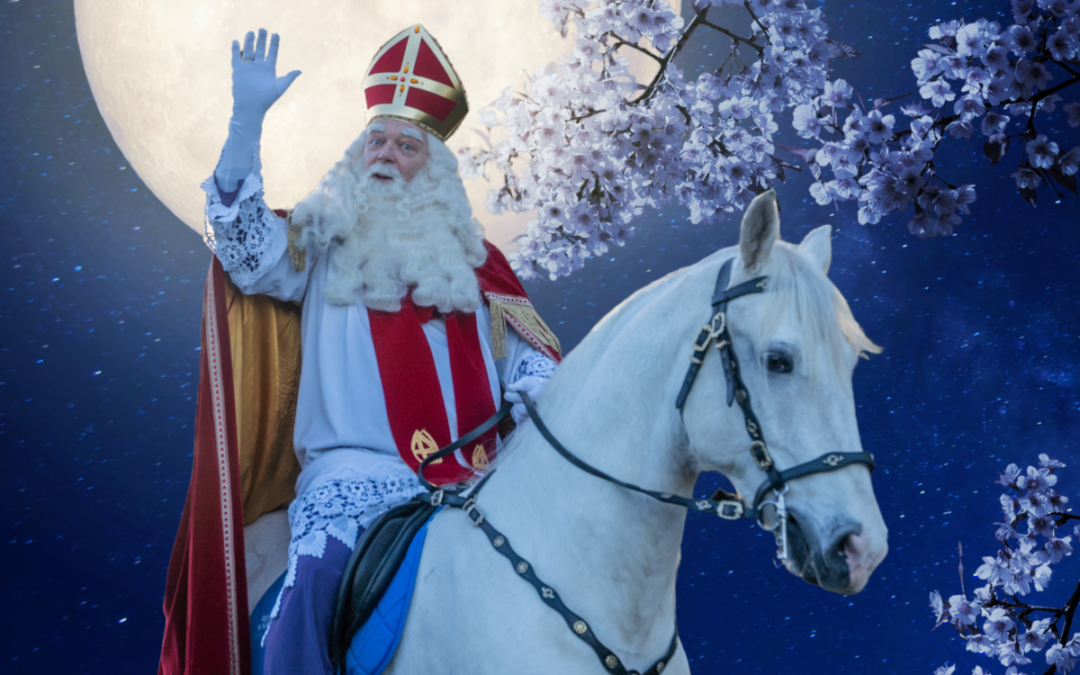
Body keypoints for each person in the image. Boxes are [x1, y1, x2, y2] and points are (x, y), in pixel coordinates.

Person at [194, 25, 561, 675]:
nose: (386, 154)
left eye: (407, 144)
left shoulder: (482, 265)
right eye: (377, 141)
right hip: (355, 487)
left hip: (481, 491)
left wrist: (533, 398)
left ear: (438, 170)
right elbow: (243, 247)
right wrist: (245, 124)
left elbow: (534, 360)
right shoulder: (317, 241)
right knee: (307, 604)